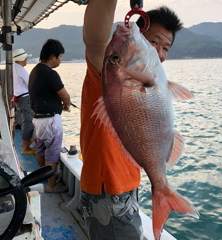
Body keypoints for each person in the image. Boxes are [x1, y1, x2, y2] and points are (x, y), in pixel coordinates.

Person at [79, 1, 182, 239]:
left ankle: (161, 191)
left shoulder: (152, 76)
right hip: (109, 192)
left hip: (125, 189)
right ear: (138, 34)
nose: (160, 52)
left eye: (166, 47)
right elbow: (95, 41)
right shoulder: (110, 72)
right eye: (153, 42)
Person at [28, 39, 71, 193]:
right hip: (51, 121)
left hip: (38, 120)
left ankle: (45, 177)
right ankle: (51, 186)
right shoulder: (50, 73)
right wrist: (67, 104)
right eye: (60, 56)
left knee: (40, 150)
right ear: (53, 56)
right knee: (52, 155)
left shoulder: (35, 70)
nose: (60, 60)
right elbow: (65, 96)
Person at [13, 48, 35, 154]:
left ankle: (23, 142)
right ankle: (25, 148)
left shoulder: (12, 68)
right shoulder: (21, 70)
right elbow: (30, 84)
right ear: (22, 59)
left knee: (24, 120)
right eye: (26, 58)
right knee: (28, 122)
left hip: (18, 97)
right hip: (24, 98)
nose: (26, 60)